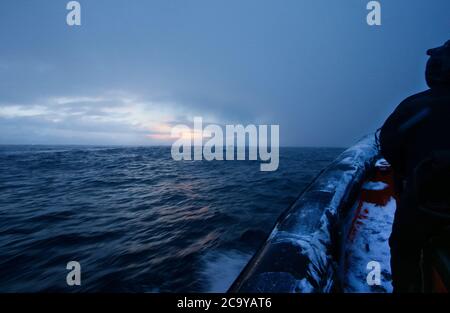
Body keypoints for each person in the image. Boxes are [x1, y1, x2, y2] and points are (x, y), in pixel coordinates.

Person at [379, 40, 450, 292]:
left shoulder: (413, 106)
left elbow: (388, 146)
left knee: (403, 249)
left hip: (422, 202)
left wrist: (409, 171)